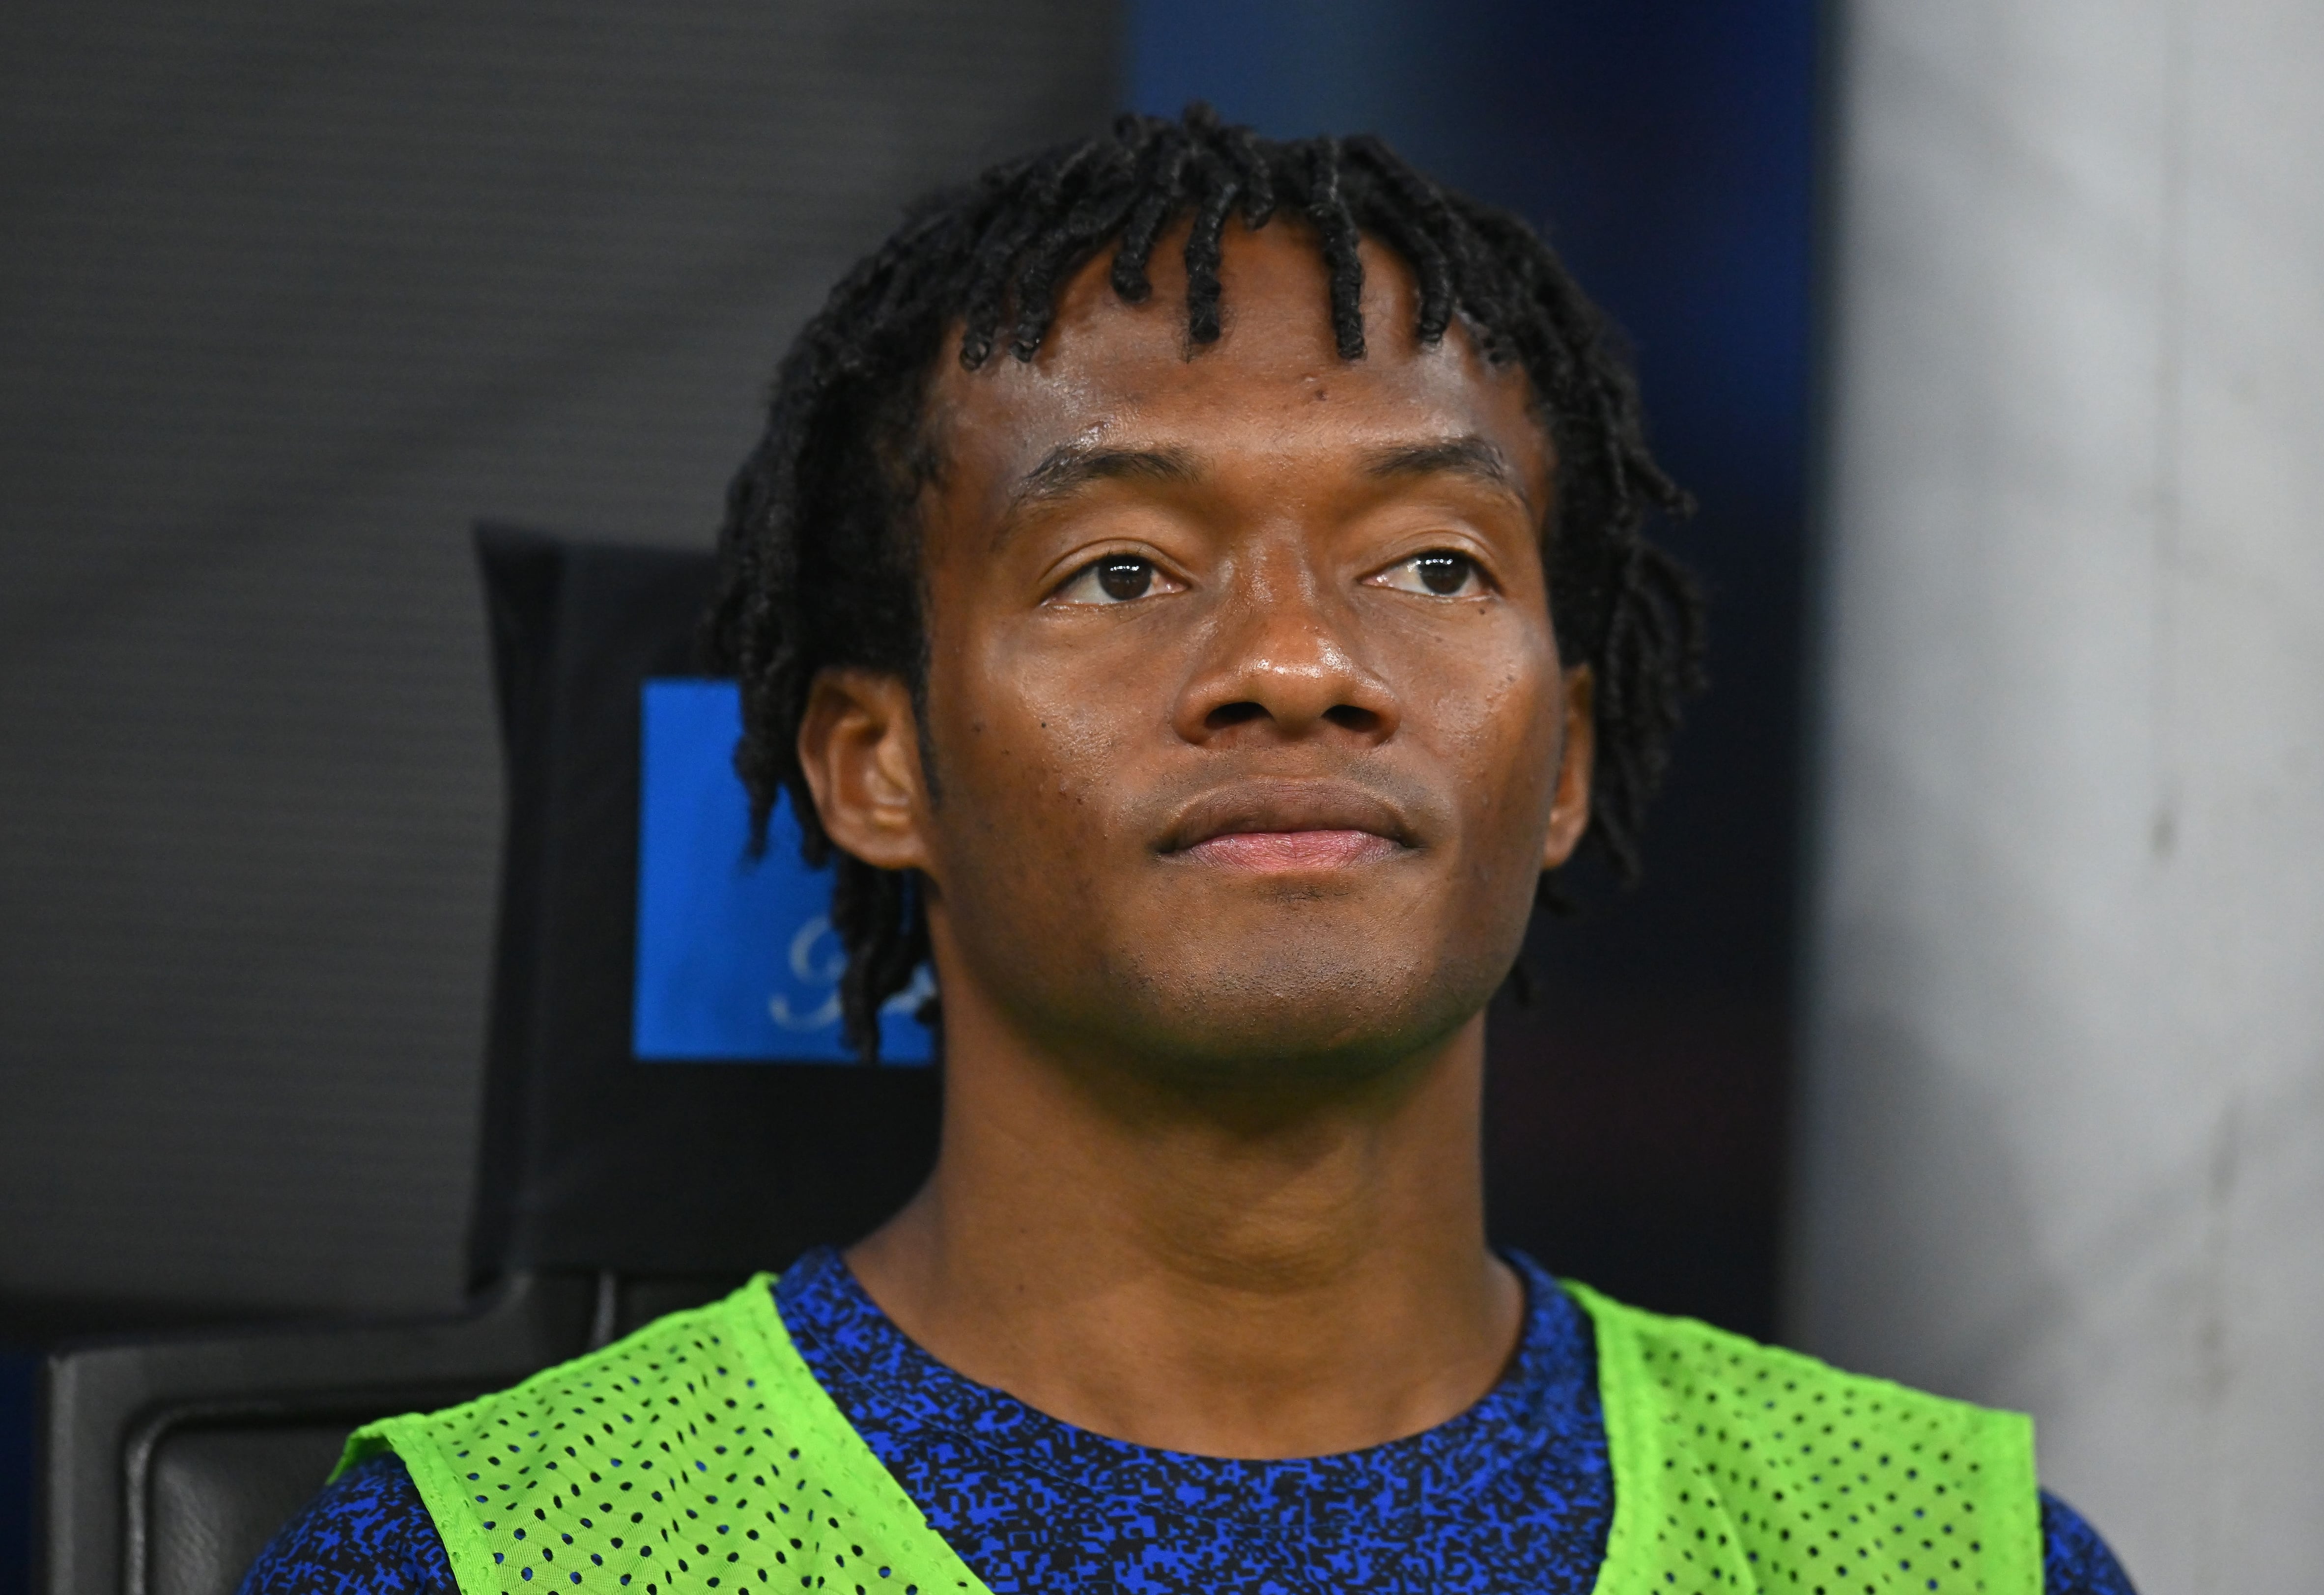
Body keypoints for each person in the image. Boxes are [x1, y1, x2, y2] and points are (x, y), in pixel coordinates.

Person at [241, 107, 2135, 1595]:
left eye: (1433, 565)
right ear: (874, 762)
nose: (1301, 664)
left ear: (1563, 755)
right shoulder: (502, 1564)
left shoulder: (1945, 1562)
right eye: (1123, 570)